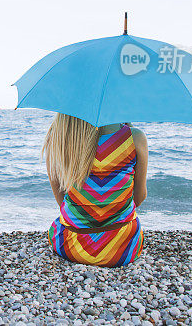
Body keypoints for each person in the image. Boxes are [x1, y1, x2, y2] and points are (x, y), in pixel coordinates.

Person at [45, 113, 147, 267]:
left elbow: (62, 203)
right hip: (123, 248)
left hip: (70, 245)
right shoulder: (135, 138)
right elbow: (139, 198)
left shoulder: (59, 136)